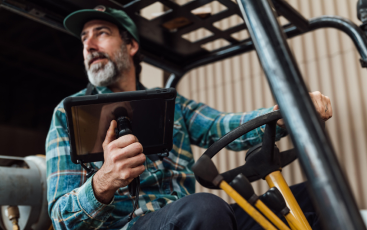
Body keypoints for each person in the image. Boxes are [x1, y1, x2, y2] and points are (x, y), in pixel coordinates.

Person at [46, 6, 332, 230]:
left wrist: (281, 114)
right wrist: (104, 181)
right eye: (84, 38)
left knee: (317, 192)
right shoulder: (68, 115)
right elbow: (61, 218)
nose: (89, 45)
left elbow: (222, 126)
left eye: (101, 33)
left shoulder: (173, 105)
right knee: (206, 208)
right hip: (129, 226)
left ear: (131, 45)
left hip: (191, 220)